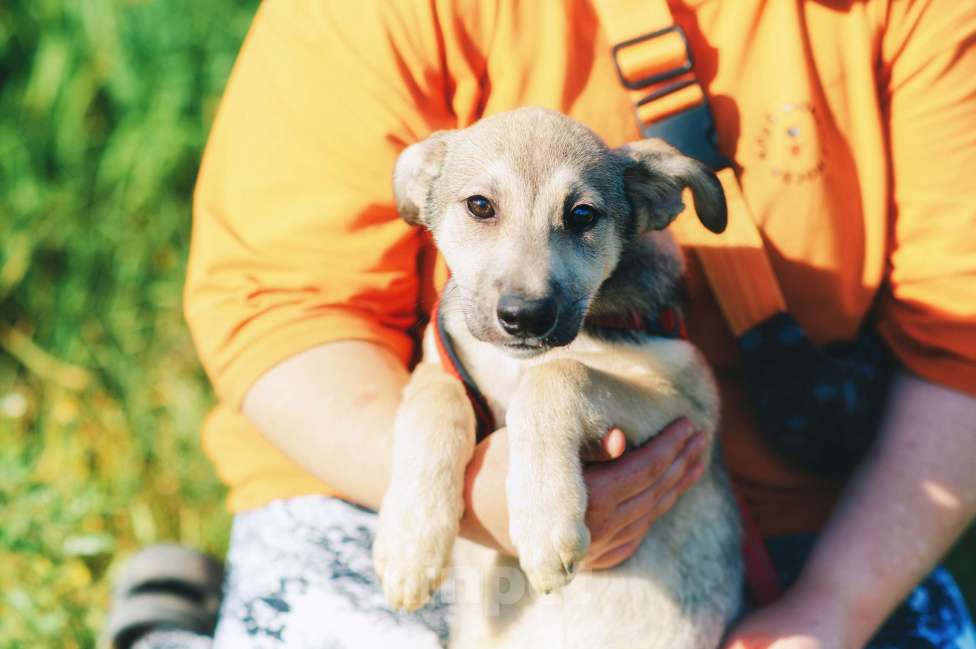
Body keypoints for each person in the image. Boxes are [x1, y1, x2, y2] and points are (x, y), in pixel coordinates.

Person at [121, 1, 976, 647]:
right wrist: (462, 491)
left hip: (812, 522)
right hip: (373, 483)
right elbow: (278, 301)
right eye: (481, 210)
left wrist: (828, 612)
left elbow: (964, 352)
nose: (525, 288)